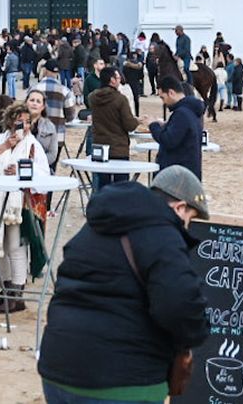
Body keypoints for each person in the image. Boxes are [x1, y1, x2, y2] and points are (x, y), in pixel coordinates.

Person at [37, 167, 211, 403]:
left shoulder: (93, 228)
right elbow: (178, 305)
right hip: (122, 380)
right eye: (189, 219)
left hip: (57, 370)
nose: (186, 227)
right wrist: (192, 337)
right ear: (179, 208)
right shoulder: (163, 234)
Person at [0, 100, 51, 314]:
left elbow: (43, 173)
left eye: (28, 122)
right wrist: (6, 147)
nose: (25, 126)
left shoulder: (33, 145)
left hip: (18, 204)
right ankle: (6, 288)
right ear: (10, 121)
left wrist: (19, 170)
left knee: (15, 246)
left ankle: (17, 294)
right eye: (21, 121)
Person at [88, 67, 139, 191]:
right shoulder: (120, 99)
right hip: (118, 148)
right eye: (117, 77)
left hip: (100, 147)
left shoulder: (93, 98)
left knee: (103, 185)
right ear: (112, 80)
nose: (120, 79)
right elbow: (129, 125)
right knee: (121, 187)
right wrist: (137, 120)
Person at [148, 76, 204, 179]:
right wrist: (166, 125)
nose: (163, 102)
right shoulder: (190, 110)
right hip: (187, 170)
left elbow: (168, 140)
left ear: (171, 93)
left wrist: (153, 125)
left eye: (162, 97)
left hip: (178, 174)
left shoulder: (181, 113)